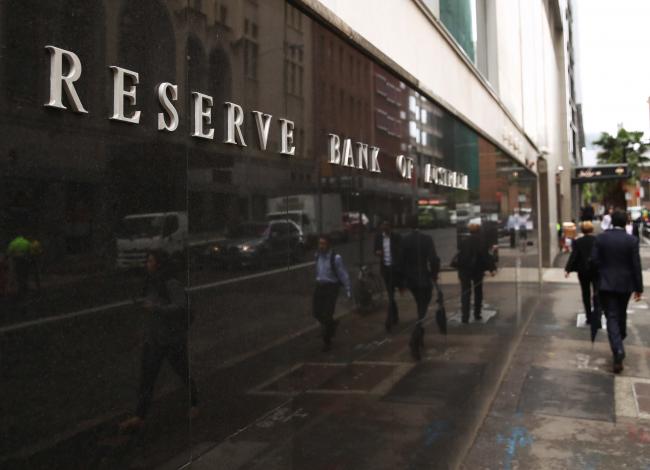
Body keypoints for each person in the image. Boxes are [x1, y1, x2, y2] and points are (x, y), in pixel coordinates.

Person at [120, 250, 198, 431]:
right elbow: (151, 313)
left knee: (183, 372)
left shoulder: (170, 283)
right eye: (147, 260)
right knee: (147, 379)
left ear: (159, 263)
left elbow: (181, 306)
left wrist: (156, 308)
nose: (147, 264)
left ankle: (194, 403)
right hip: (153, 339)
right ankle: (140, 416)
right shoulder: (150, 283)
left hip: (171, 339)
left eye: (150, 261)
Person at [591, 211, 643, 374]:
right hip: (625, 284)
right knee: (620, 314)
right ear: (627, 222)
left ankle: (618, 349)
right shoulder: (631, 241)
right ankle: (619, 343)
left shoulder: (601, 238)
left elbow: (593, 260)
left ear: (612, 222)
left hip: (606, 283)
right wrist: (638, 288)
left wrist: (599, 274)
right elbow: (636, 265)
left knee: (611, 316)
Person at [400, 215, 440, 360]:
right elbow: (433, 259)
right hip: (423, 278)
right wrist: (434, 274)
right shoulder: (427, 239)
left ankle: (420, 334)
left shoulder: (404, 240)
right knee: (423, 309)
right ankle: (415, 339)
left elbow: (401, 261)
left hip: (411, 280)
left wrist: (403, 282)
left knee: (420, 305)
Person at [313, 236, 352, 352]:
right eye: (320, 243)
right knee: (316, 313)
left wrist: (348, 290)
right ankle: (332, 324)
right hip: (320, 286)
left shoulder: (336, 258)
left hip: (331, 288)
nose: (321, 246)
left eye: (324, 244)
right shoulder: (317, 256)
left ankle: (327, 341)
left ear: (329, 245)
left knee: (327, 313)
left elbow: (343, 274)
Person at [457, 220, 496, 323]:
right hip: (477, 270)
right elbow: (486, 256)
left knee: (465, 292)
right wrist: (492, 269)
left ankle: (465, 316)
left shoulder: (463, 241)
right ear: (479, 231)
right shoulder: (482, 241)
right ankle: (477, 314)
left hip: (464, 270)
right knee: (478, 291)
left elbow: (460, 254)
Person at [565, 221, 599, 324]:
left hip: (583, 270)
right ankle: (597, 316)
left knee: (585, 293)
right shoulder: (597, 240)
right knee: (597, 293)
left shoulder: (578, 241)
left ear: (582, 230)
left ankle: (588, 316)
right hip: (596, 270)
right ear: (592, 229)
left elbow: (574, 256)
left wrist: (568, 269)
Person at [374, 220, 402, 332]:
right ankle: (393, 316)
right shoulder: (378, 238)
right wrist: (377, 252)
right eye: (382, 225)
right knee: (391, 294)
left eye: (386, 225)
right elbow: (375, 250)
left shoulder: (396, 237)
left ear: (390, 227)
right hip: (385, 269)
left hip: (395, 270)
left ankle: (390, 319)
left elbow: (401, 251)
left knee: (391, 295)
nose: (384, 228)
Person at [7, 234, 32, 300]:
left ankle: (19, 289)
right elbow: (30, 252)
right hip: (25, 260)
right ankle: (24, 288)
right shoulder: (26, 242)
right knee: (25, 274)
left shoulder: (13, 242)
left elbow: (9, 252)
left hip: (16, 261)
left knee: (18, 274)